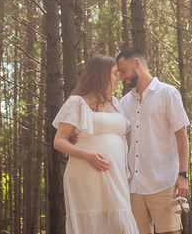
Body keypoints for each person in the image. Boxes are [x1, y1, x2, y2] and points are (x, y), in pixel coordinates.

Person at [52, 54, 135, 234]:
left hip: (116, 175)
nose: (119, 78)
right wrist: (87, 155)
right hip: (86, 173)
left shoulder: (115, 102)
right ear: (101, 75)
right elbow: (59, 141)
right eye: (114, 74)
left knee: (120, 224)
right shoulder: (77, 102)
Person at [116, 47, 190, 234]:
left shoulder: (167, 93)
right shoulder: (124, 102)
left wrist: (183, 174)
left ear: (137, 64)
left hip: (164, 182)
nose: (121, 77)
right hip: (134, 185)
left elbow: (181, 133)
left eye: (123, 70)